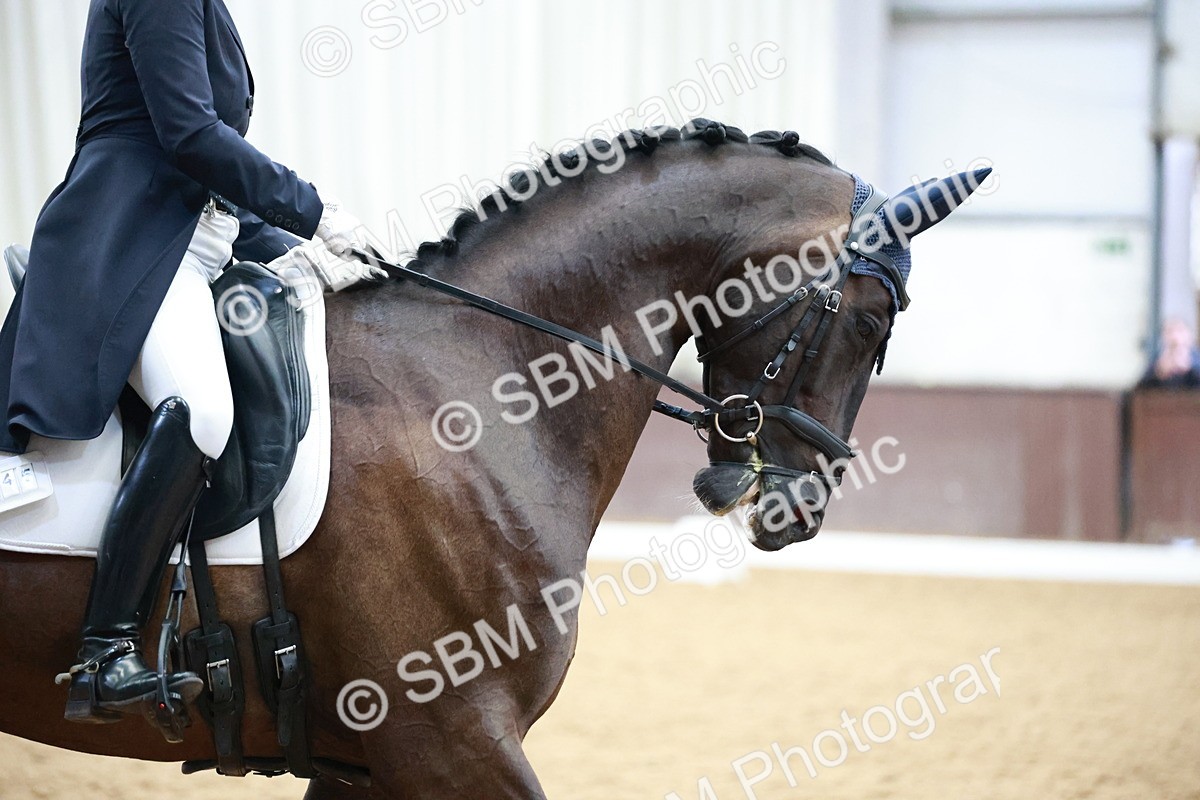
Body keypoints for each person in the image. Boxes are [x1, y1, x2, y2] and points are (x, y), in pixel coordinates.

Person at [0, 0, 380, 724]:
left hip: (186, 243)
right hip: (128, 245)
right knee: (202, 408)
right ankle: (105, 651)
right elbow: (190, 135)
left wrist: (293, 249)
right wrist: (316, 213)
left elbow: (208, 181)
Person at [1138, 318, 1200, 389]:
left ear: (1189, 336)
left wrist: (1189, 369)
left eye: (1180, 331)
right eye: (1169, 331)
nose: (1175, 336)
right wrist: (1159, 373)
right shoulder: (1156, 361)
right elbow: (1140, 389)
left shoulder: (1197, 361)